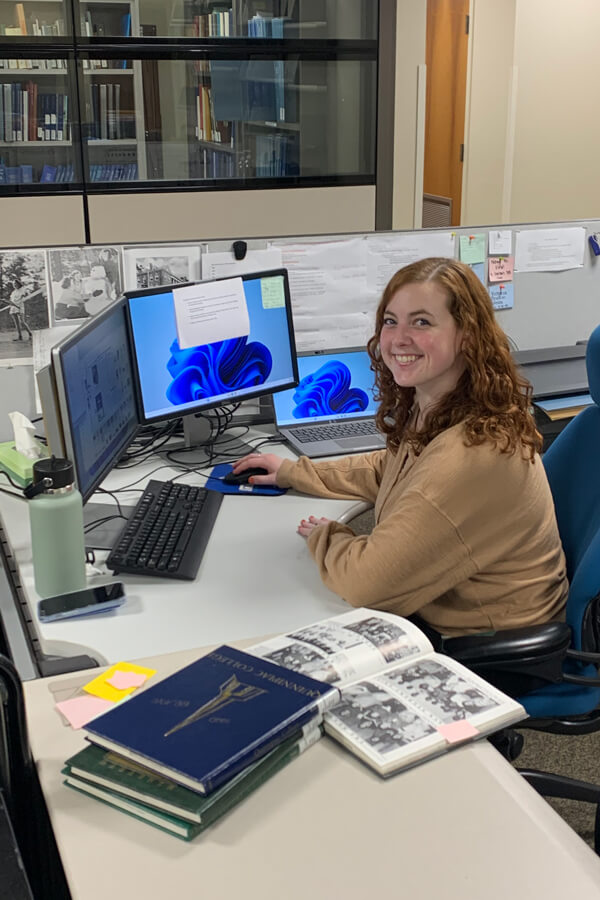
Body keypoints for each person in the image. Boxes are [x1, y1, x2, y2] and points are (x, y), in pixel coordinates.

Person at [231, 257, 568, 637]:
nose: (398, 338)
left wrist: (329, 536)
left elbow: (365, 584)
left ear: (467, 336)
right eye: (391, 321)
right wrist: (293, 471)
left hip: (487, 652)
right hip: (452, 612)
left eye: (422, 322)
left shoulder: (472, 455)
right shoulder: (443, 408)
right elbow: (388, 469)